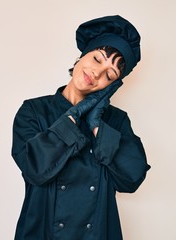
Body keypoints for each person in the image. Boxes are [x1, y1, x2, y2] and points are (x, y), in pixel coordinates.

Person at [11, 15, 151, 240]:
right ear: (82, 55)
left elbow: (132, 178)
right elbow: (34, 169)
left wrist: (96, 124)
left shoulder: (116, 121)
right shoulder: (33, 112)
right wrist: (75, 114)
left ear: (112, 85)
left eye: (110, 75)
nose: (97, 73)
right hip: (42, 232)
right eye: (97, 59)